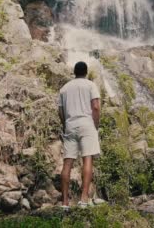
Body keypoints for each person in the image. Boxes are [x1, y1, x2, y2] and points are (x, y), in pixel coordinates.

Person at [58, 61, 101, 209]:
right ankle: (83, 199)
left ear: (74, 72)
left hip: (70, 125)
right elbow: (95, 107)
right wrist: (95, 125)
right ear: (86, 72)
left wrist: (66, 125)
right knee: (87, 159)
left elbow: (61, 111)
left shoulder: (64, 88)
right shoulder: (90, 85)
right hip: (87, 124)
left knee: (67, 163)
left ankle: (64, 203)